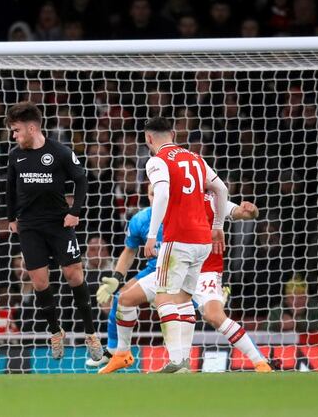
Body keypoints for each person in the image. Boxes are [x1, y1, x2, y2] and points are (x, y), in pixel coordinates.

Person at [96, 185, 272, 373]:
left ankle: (259, 361)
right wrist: (118, 276)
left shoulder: (210, 201)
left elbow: (238, 212)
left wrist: (249, 211)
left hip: (205, 270)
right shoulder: (157, 212)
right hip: (175, 268)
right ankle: (122, 355)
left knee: (214, 316)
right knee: (125, 299)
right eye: (152, 194)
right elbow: (134, 248)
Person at [4, 101, 103, 362]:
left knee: (73, 275)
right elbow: (10, 188)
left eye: (16, 130)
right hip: (30, 227)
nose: (13, 136)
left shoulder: (59, 152)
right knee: (39, 282)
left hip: (59, 224)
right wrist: (11, 218)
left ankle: (90, 334)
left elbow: (81, 179)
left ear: (32, 127)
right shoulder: (16, 156)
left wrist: (75, 211)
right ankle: (54, 331)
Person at [140, 117, 228, 373]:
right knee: (184, 299)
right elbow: (221, 189)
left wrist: (152, 234)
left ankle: (176, 359)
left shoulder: (156, 160)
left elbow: (163, 193)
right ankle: (185, 361)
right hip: (202, 240)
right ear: (173, 133)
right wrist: (218, 226)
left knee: (162, 297)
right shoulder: (195, 158)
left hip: (177, 237)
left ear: (148, 139)